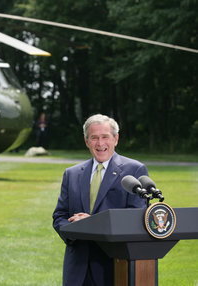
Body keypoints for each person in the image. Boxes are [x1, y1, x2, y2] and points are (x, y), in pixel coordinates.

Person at [52, 114, 148, 286]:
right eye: (94, 138)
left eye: (105, 137)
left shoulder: (134, 170)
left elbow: (134, 219)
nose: (100, 143)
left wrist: (92, 224)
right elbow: (59, 216)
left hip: (113, 266)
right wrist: (75, 230)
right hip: (77, 268)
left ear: (116, 139)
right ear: (86, 141)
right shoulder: (71, 174)